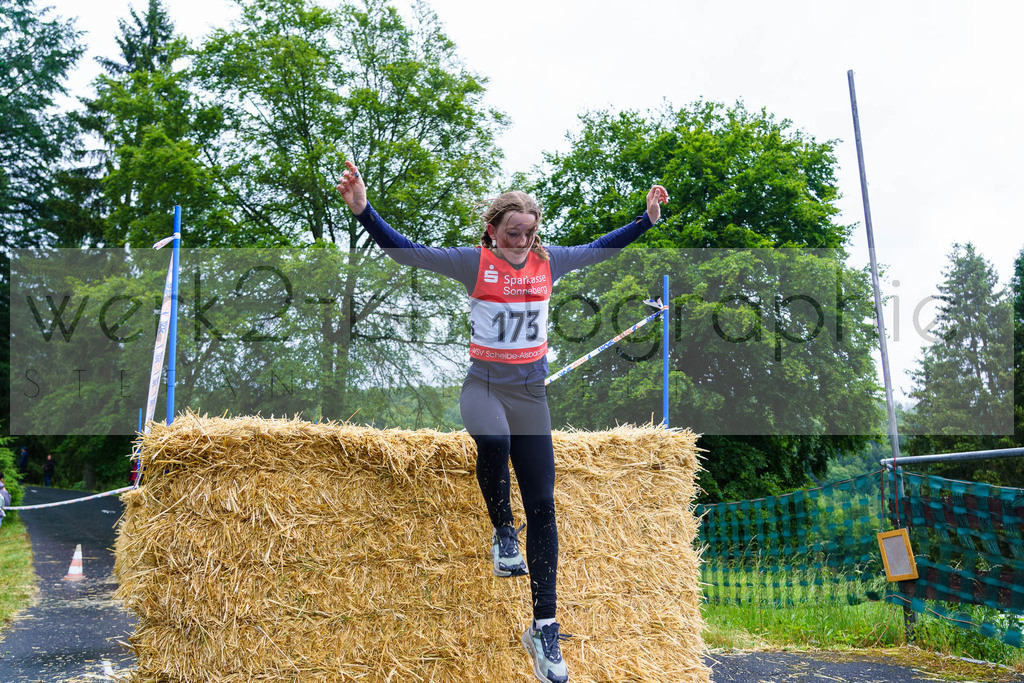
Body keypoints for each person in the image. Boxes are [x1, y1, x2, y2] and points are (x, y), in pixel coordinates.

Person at [337, 161, 668, 683]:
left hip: (531, 392)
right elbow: (408, 252)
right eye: (513, 233)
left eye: (531, 233)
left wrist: (646, 221)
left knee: (543, 503)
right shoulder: (474, 263)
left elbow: (601, 247)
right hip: (485, 388)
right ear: (493, 230)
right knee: (494, 440)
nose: (522, 241)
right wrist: (363, 210)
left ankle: (544, 626)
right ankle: (501, 532)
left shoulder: (549, 261)